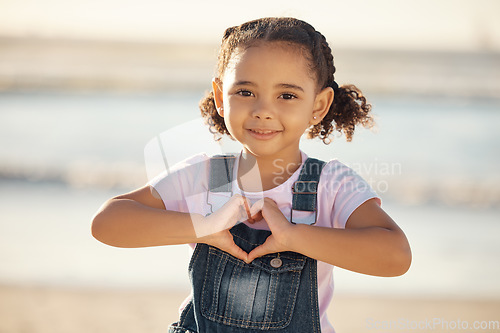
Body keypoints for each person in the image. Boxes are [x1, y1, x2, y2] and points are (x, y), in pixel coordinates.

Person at [92, 17, 411, 333]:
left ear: (318, 104)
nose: (262, 109)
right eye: (245, 92)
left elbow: (395, 256)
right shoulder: (206, 178)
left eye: (286, 95)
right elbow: (107, 223)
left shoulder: (330, 184)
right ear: (220, 96)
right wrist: (204, 227)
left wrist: (294, 237)